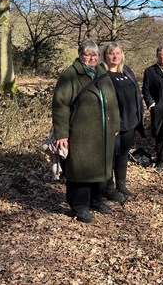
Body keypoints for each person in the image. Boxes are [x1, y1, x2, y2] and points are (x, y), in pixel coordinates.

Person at [52, 39, 120, 223]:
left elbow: (112, 102)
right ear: (80, 55)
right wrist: (61, 133)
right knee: (80, 169)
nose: (92, 58)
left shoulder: (102, 73)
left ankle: (96, 200)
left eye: (95, 55)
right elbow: (60, 106)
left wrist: (115, 126)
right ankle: (79, 206)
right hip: (81, 133)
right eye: (88, 55)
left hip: (104, 133)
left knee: (101, 168)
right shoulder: (70, 75)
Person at [102, 42, 145, 203]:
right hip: (114, 125)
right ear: (105, 56)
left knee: (122, 155)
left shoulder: (126, 70)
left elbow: (136, 93)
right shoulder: (104, 75)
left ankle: (121, 184)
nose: (115, 56)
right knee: (111, 157)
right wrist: (111, 124)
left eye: (118, 53)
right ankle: (109, 188)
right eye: (111, 53)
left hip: (130, 122)